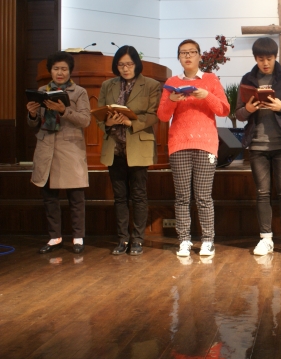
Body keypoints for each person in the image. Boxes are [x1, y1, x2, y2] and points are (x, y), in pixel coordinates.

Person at [157, 39, 230, 257]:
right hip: (179, 144)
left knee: (203, 196)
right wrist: (172, 99)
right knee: (182, 197)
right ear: (179, 58)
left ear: (199, 56)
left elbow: (224, 110)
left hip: (206, 144)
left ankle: (207, 240)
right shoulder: (172, 82)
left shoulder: (210, 79)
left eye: (192, 52)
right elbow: (162, 116)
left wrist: (207, 95)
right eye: (183, 53)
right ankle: (184, 240)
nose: (187, 56)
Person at [235, 37, 281, 257]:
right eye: (260, 59)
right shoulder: (247, 79)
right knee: (262, 192)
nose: (265, 63)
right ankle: (265, 239)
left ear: (275, 57)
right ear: (255, 58)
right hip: (257, 145)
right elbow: (238, 114)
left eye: (269, 58)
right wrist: (248, 109)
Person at [98, 46, 162, 256]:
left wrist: (130, 122)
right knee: (119, 197)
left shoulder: (151, 84)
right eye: (121, 65)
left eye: (129, 64)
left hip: (138, 146)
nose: (125, 69)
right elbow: (98, 114)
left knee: (139, 196)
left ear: (136, 64)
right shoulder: (107, 85)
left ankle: (138, 240)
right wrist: (107, 122)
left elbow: (154, 115)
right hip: (114, 148)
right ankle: (122, 239)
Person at [26, 51, 90, 254]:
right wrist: (32, 114)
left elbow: (85, 120)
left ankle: (78, 237)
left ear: (70, 71)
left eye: (64, 69)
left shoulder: (79, 92)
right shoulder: (41, 91)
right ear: (50, 71)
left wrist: (63, 110)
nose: (60, 73)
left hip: (70, 149)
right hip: (46, 148)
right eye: (56, 69)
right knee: (49, 197)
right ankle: (55, 237)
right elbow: (34, 124)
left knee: (76, 197)